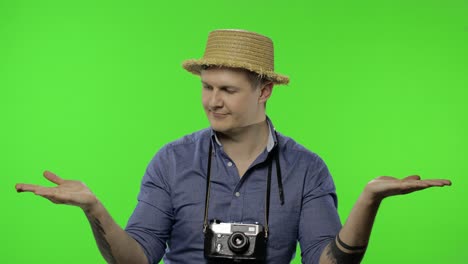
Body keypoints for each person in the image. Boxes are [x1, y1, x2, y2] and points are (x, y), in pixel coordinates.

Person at [15, 29, 451, 264]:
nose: (212, 101)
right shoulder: (171, 161)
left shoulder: (307, 170)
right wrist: (95, 209)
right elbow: (138, 260)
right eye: (206, 87)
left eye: (227, 89)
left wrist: (369, 201)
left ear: (264, 92)